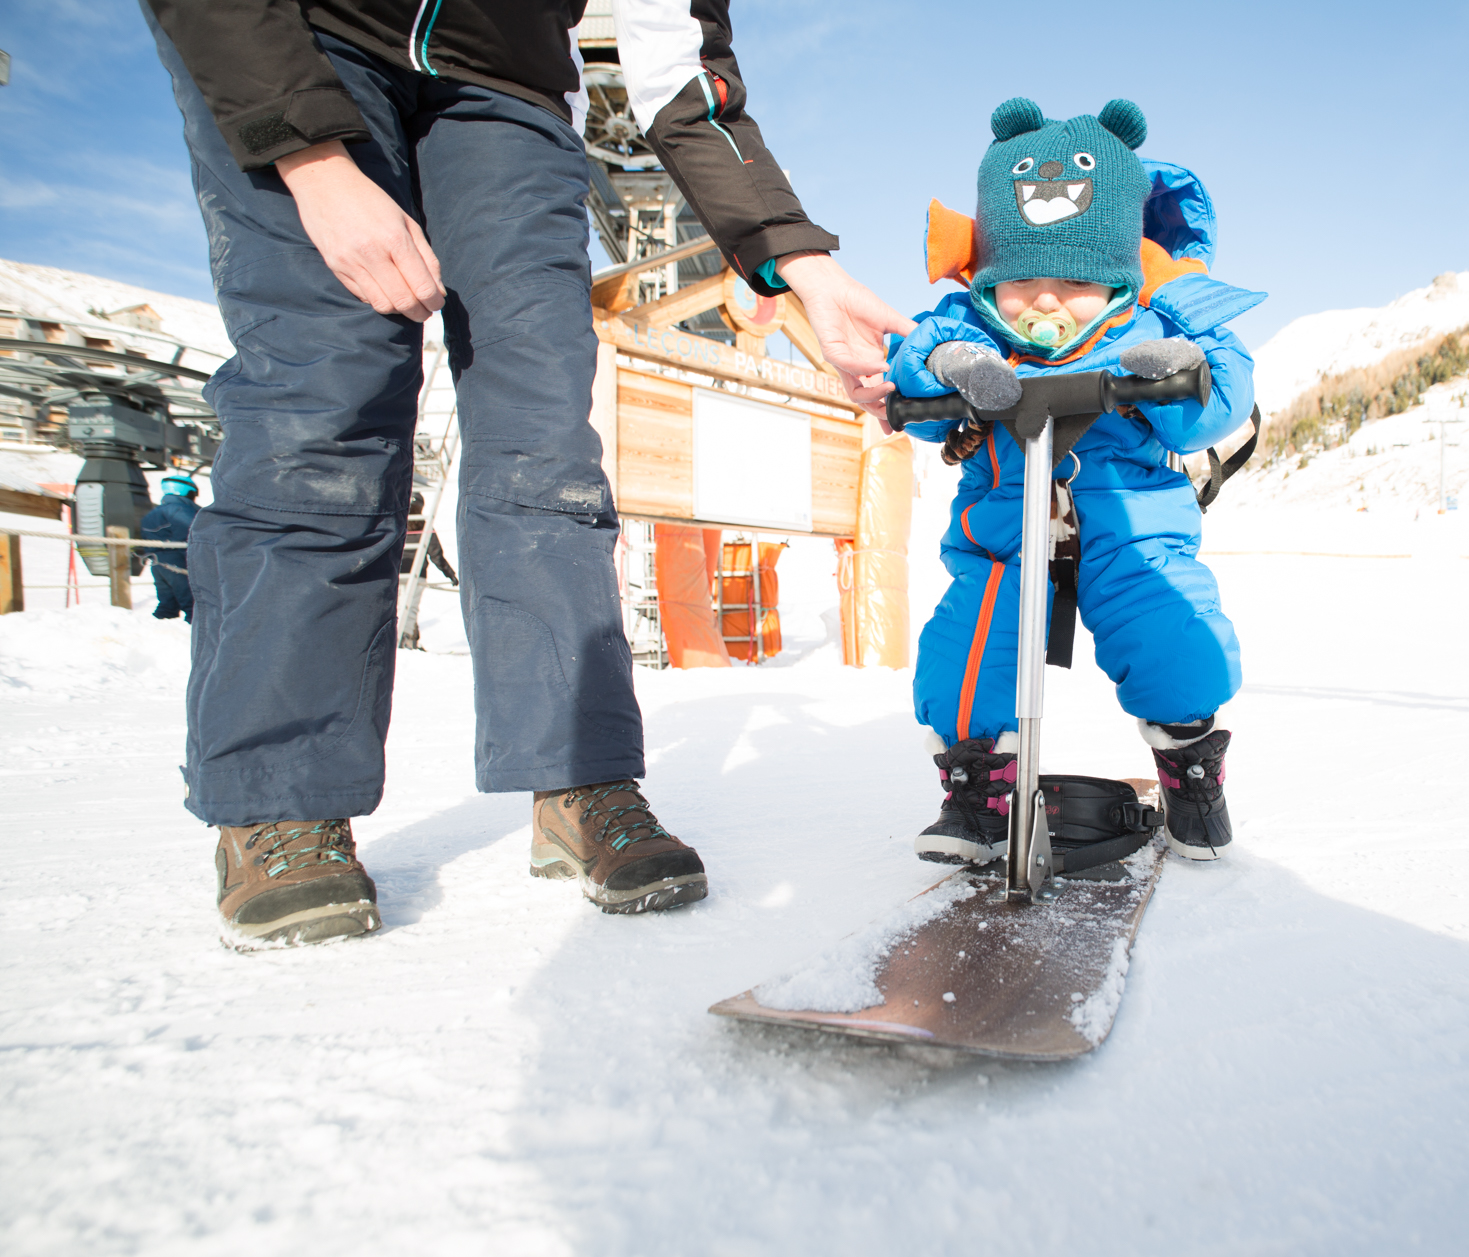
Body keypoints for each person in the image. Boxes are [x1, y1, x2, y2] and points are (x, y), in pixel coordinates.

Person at [142, 0, 913, 950]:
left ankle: (580, 774)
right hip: (307, 40)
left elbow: (683, 71)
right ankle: (280, 798)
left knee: (548, 439)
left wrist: (798, 260)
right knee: (322, 411)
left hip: (509, 93)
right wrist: (304, 152)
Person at [888, 97, 1258, 862]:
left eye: (1074, 279)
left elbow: (1219, 403)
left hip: (1131, 528)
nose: (1046, 299)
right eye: (1022, 278)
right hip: (1004, 533)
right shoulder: (971, 326)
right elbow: (916, 365)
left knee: (1171, 633)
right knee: (966, 647)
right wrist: (954, 368)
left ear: (1118, 276)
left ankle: (1190, 763)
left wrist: (1182, 368)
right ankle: (978, 786)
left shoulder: (1149, 324)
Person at [141, 474, 200, 626]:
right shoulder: (181, 510)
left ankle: (154, 631)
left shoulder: (153, 512)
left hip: (157, 563)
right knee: (194, 605)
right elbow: (193, 535)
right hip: (177, 562)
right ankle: (198, 635)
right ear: (188, 492)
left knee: (168, 604)